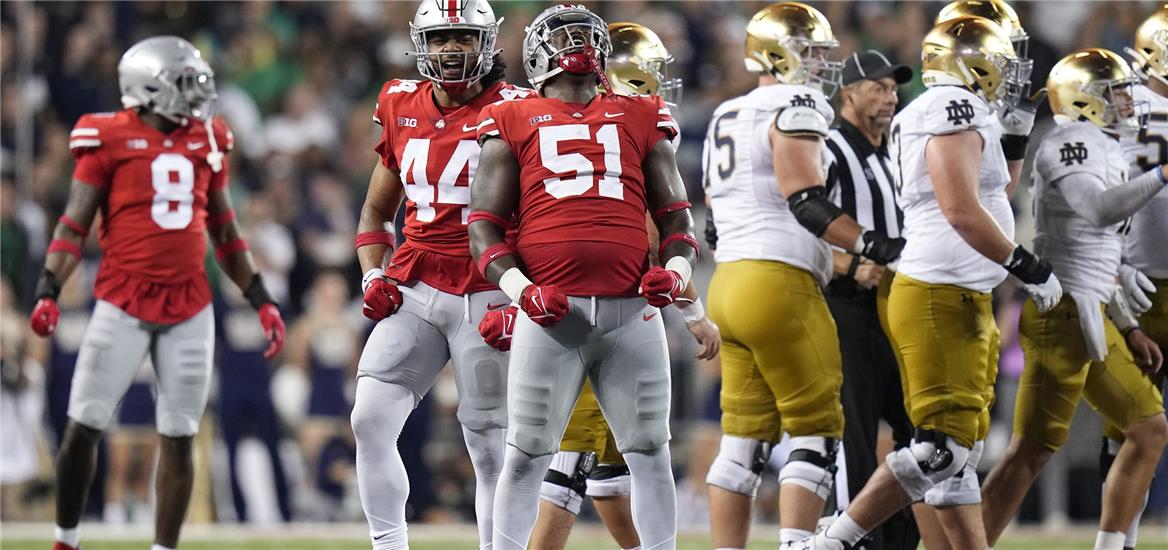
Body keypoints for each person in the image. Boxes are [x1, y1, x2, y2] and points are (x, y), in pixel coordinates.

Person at [797, 16, 1061, 550]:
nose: (1008, 69)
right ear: (972, 61)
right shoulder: (948, 106)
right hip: (941, 291)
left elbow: (994, 194)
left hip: (959, 291)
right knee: (938, 449)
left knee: (958, 455)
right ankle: (834, 540)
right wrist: (1024, 264)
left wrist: (1014, 135)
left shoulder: (961, 108)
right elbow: (961, 209)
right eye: (1000, 58)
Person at [28, 36, 286, 550]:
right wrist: (48, 289)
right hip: (122, 298)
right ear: (146, 88)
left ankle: (163, 547)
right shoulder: (107, 137)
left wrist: (261, 298)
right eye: (184, 83)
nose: (196, 95)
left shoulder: (207, 139)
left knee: (180, 432)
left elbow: (227, 233)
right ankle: (66, 539)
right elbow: (73, 223)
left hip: (190, 304)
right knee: (85, 424)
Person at [468, 5, 696, 549]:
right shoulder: (511, 116)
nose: (575, 45)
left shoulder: (643, 113)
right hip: (550, 314)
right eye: (563, 36)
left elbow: (677, 220)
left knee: (650, 452)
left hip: (630, 311)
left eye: (583, 35)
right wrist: (523, 292)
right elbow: (483, 229)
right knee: (525, 455)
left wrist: (675, 271)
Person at [700, 3, 904, 547]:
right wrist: (872, 244)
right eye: (810, 51)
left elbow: (715, 221)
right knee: (816, 429)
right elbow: (807, 201)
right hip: (779, 284)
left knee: (742, 441)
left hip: (727, 284)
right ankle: (797, 543)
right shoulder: (799, 103)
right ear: (777, 54)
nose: (821, 62)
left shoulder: (726, 112)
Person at [349, 1, 532, 548]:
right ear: (420, 42)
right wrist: (371, 275)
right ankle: (389, 545)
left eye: (464, 37)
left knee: (490, 447)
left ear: (488, 43)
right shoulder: (399, 101)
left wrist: (525, 296)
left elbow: (548, 215)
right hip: (417, 283)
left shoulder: (521, 108)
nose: (451, 48)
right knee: (370, 418)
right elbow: (375, 215)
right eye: (440, 37)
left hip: (491, 287)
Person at [978, 47, 1168, 550]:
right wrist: (1164, 173)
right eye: (1116, 91)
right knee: (1029, 454)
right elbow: (1099, 210)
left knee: (1148, 428)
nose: (1129, 100)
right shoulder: (1070, 142)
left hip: (1093, 310)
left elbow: (1101, 253)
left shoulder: (1105, 145)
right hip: (1060, 313)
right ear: (1086, 101)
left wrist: (1127, 324)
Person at [822, 49, 919, 550]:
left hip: (896, 308)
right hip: (848, 307)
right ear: (848, 94)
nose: (888, 95)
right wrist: (848, 265)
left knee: (920, 435)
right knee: (852, 436)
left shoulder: (892, 152)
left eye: (891, 87)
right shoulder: (831, 148)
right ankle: (850, 539)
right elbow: (801, 226)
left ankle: (897, 539)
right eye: (876, 87)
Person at [1105, 7, 1168, 548]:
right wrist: (1113, 263)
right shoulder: (1125, 99)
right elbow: (1098, 182)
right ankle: (1118, 539)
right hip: (1138, 285)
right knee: (1130, 432)